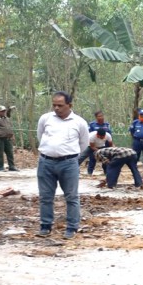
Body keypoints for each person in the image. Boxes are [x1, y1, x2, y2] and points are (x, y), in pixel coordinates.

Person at [35, 91, 90, 240]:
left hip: (69, 163)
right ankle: (45, 225)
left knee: (71, 196)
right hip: (46, 162)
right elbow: (40, 136)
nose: (56, 108)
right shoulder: (45, 119)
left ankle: (72, 227)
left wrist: (68, 154)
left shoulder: (79, 122)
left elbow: (84, 143)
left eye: (60, 105)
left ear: (69, 105)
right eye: (54, 105)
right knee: (45, 196)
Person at [81, 110, 112, 176]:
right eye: (99, 116)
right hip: (93, 144)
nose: (101, 117)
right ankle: (90, 172)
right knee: (92, 158)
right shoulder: (92, 125)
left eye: (102, 116)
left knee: (105, 159)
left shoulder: (107, 125)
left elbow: (110, 136)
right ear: (96, 117)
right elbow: (89, 135)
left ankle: (106, 172)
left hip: (104, 144)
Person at [0, 105, 18, 171]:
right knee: (0, 153)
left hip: (7, 138)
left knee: (10, 152)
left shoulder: (6, 118)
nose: (3, 112)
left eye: (4, 111)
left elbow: (9, 128)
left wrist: (12, 136)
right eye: (2, 111)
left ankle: (12, 166)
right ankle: (0, 167)